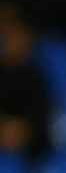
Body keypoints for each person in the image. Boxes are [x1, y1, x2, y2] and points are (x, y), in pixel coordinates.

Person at [0, 9, 52, 162]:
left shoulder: (37, 76)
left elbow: (42, 111)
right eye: (14, 37)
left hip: (28, 145)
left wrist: (24, 129)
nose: (20, 42)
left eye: (24, 37)